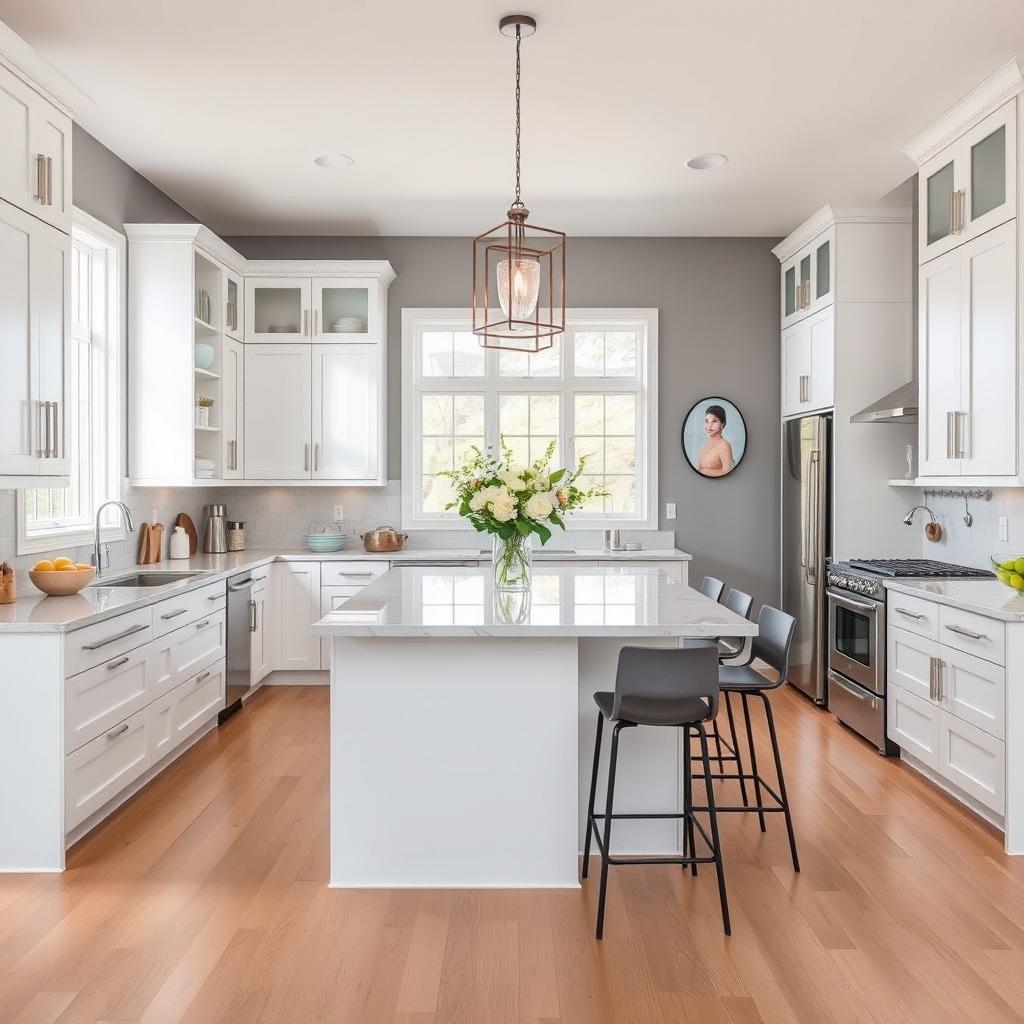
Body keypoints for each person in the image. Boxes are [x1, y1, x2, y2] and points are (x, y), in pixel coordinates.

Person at [697, 404, 734, 477]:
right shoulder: (706, 446)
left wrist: (705, 471)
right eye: (707, 421)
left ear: (722, 425)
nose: (709, 425)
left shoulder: (724, 445)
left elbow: (727, 471)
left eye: (714, 421)